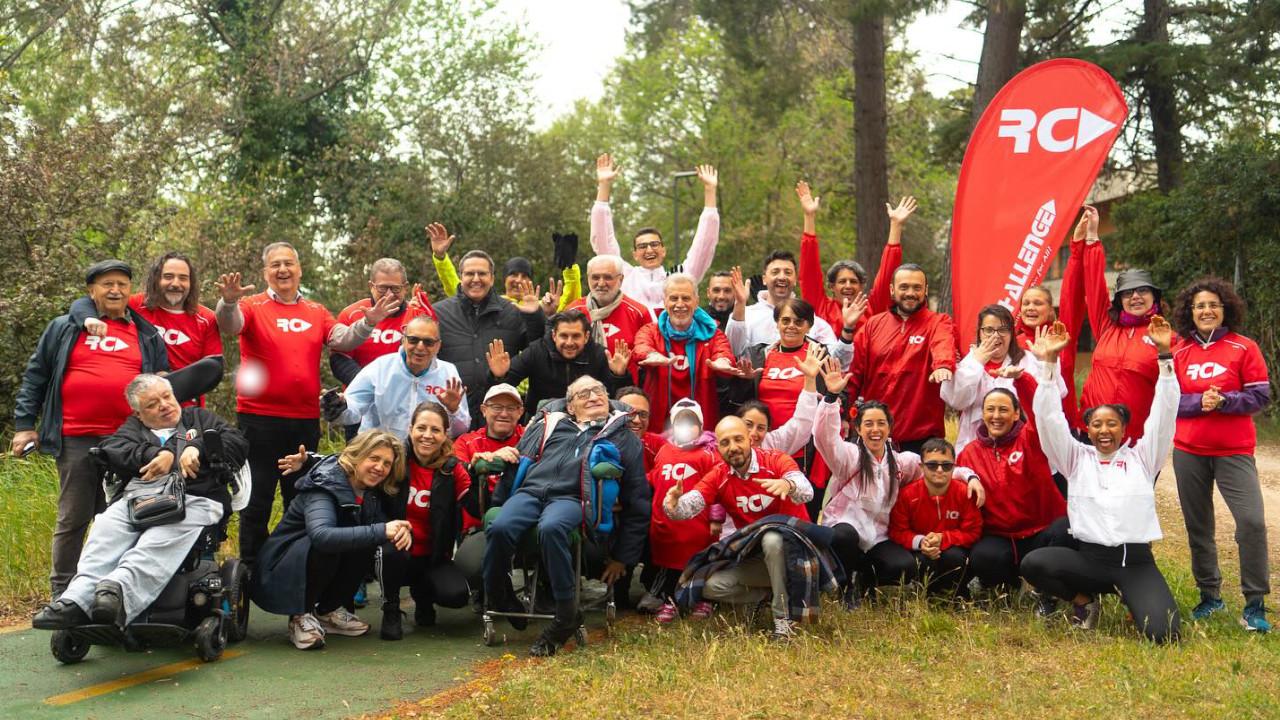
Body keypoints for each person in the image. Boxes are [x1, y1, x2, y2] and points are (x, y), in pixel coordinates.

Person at [215, 242, 398, 565]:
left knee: (300, 497)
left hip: (303, 420)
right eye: (275, 265)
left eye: (288, 264)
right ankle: (251, 571)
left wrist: (368, 322)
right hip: (258, 419)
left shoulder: (315, 310)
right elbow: (230, 325)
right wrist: (227, 302)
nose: (283, 270)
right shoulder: (252, 305)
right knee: (256, 500)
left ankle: (291, 564)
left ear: (299, 270)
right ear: (265, 272)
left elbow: (343, 339)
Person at [32, 374, 248, 629]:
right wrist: (158, 454)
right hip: (142, 498)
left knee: (157, 537)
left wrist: (196, 447)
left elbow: (237, 441)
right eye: (152, 404)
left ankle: (117, 594)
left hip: (197, 497)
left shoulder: (200, 419)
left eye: (166, 397)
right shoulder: (133, 429)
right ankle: (77, 600)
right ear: (138, 413)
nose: (164, 405)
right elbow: (112, 449)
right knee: (106, 525)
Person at [13, 260, 170, 596]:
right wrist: (25, 426)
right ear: (91, 290)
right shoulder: (64, 327)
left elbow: (161, 384)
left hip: (129, 440)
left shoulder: (146, 334)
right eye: (106, 284)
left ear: (131, 291)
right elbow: (36, 376)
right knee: (74, 517)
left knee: (125, 516)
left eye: (122, 284)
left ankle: (112, 591)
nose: (115, 290)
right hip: (75, 437)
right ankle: (63, 594)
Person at [1021, 320, 1182, 643]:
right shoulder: (1075, 458)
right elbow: (1049, 421)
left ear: (1124, 430)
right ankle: (1085, 602)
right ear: (1089, 429)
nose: (1104, 430)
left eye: (1112, 424)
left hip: (1134, 562)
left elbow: (1164, 416)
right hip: (1090, 561)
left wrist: (1165, 356)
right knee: (1035, 563)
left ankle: (1133, 595)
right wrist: (1049, 364)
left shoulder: (1143, 458)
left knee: (1163, 634)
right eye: (1097, 424)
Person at [483, 376, 650, 656]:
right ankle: (502, 597)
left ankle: (565, 614)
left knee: (552, 527)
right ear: (571, 406)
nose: (594, 396)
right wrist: (501, 491)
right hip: (531, 491)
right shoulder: (547, 424)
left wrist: (624, 556)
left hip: (573, 497)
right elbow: (519, 460)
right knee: (499, 525)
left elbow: (639, 498)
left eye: (599, 391)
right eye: (584, 394)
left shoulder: (623, 437)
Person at [814, 373, 982, 605]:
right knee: (845, 535)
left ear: (890, 427)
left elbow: (935, 468)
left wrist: (969, 476)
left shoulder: (902, 462)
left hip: (878, 537)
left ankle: (867, 580)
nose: (875, 429)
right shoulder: (849, 457)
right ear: (858, 429)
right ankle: (845, 587)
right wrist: (831, 398)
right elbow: (825, 438)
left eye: (881, 423)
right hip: (846, 531)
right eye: (869, 424)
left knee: (903, 567)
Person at [1170, 277, 1271, 632]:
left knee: (1252, 523)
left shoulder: (1244, 347)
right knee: (1199, 528)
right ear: (1190, 312)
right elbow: (1168, 400)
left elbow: (1260, 395)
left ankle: (1255, 604)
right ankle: (1210, 597)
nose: (1207, 310)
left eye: (1213, 304)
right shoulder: (1179, 351)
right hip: (1188, 451)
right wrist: (1201, 402)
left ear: (1224, 308)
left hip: (1234, 451)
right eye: (1199, 306)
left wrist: (1226, 401)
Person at [252, 430, 411, 650]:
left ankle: (327, 611)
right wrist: (384, 529)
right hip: (282, 568)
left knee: (365, 539)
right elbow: (322, 536)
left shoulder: (371, 490)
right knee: (331, 543)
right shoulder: (325, 485)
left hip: (315, 558)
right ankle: (300, 616)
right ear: (357, 455)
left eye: (386, 463)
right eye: (374, 458)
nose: (380, 468)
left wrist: (400, 530)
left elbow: (376, 530)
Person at [662, 415, 815, 638]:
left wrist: (788, 484)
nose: (733, 447)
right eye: (725, 443)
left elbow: (807, 491)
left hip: (797, 555)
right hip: (757, 556)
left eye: (738, 439)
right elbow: (689, 506)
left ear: (750, 439)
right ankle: (770, 593)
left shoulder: (775, 460)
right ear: (718, 448)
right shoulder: (719, 476)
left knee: (772, 538)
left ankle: (783, 620)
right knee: (710, 586)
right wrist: (673, 504)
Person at [955, 371, 1069, 600]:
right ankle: (1008, 587)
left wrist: (1022, 380)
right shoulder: (969, 453)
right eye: (990, 409)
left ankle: (1047, 590)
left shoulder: (1031, 439)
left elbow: (1042, 413)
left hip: (1040, 530)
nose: (996, 416)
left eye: (1004, 410)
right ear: (983, 414)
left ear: (1017, 414)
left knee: (1069, 529)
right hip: (1000, 536)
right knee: (984, 557)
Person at [69, 251, 224, 406]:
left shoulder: (206, 319)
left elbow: (211, 371)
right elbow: (87, 302)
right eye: (168, 277)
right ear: (156, 279)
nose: (176, 283)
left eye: (183, 278)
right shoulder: (136, 305)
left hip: (186, 407)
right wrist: (88, 318)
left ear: (191, 283)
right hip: (145, 407)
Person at [375, 402, 473, 640]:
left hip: (433, 555)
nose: (427, 436)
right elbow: (356, 465)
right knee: (391, 552)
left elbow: (475, 506)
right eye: (421, 428)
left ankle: (424, 596)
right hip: (396, 548)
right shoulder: (394, 461)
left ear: (445, 435)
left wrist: (482, 471)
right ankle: (391, 608)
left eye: (435, 430)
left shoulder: (453, 469)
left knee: (456, 595)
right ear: (410, 429)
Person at [844, 262, 958, 454]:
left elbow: (943, 344)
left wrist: (942, 365)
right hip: (876, 434)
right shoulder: (873, 325)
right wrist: (845, 415)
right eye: (904, 287)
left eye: (917, 287)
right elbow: (854, 375)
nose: (910, 293)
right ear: (892, 290)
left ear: (926, 290)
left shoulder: (938, 322)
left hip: (922, 437)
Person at [431, 245, 549, 427]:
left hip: (499, 418)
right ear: (461, 277)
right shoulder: (439, 312)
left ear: (492, 279)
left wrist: (535, 316)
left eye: (482, 274)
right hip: (451, 414)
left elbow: (538, 352)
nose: (476, 279)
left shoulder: (512, 312)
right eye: (470, 274)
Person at [591, 154, 720, 312]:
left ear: (663, 251)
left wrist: (710, 190)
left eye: (654, 244)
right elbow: (604, 243)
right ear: (635, 254)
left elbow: (704, 246)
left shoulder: (680, 278)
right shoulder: (625, 277)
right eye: (643, 246)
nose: (650, 250)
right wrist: (604, 186)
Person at [1077, 229, 1172, 441]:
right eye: (1128, 293)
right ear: (1120, 301)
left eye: (1142, 291)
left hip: (1137, 439)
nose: (1135, 297)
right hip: (1091, 432)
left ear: (1154, 297)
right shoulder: (1106, 327)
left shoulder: (1168, 338)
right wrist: (1092, 239)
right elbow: (1094, 287)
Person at [941, 304, 1065, 455]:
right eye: (988, 330)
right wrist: (975, 364)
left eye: (1003, 329)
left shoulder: (1028, 360)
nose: (996, 335)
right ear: (979, 333)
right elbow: (956, 401)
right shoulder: (969, 362)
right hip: (975, 449)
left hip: (1021, 449)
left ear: (1012, 333)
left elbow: (1053, 398)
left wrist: (1046, 361)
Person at [326, 315, 470, 440]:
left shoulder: (448, 372)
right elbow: (353, 409)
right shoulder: (380, 368)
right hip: (381, 453)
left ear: (438, 346)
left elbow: (460, 429)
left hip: (424, 455)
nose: (420, 347)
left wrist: (453, 410)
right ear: (403, 340)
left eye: (428, 342)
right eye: (413, 340)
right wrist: (340, 406)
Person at [795, 181, 911, 333]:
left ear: (862, 286)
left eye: (853, 282)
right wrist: (809, 216)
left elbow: (887, 276)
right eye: (842, 281)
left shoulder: (872, 309)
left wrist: (896, 226)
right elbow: (809, 273)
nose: (848, 286)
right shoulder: (820, 306)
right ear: (831, 286)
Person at [634, 274, 742, 433]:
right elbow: (641, 347)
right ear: (664, 302)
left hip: (701, 426)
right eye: (673, 298)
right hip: (659, 425)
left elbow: (722, 352)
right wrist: (651, 355)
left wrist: (723, 362)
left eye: (686, 298)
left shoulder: (713, 334)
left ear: (696, 302)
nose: (679, 304)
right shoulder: (650, 331)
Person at [1015, 205, 1091, 431]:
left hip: (1063, 429)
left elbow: (1071, 293)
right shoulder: (1010, 341)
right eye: (1026, 303)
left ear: (1050, 310)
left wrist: (1076, 248)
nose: (1030, 307)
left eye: (1037, 303)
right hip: (1023, 431)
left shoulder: (1061, 336)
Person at [646, 398, 720, 623]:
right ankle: (670, 600)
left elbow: (718, 486)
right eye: (680, 423)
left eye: (692, 423)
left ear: (701, 425)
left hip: (696, 526)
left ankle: (703, 599)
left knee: (698, 563)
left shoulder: (708, 454)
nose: (686, 428)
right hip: (666, 525)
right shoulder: (664, 451)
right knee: (670, 566)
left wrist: (716, 518)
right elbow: (655, 477)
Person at [485, 309, 633, 414]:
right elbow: (500, 391)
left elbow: (618, 399)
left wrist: (618, 376)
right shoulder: (537, 351)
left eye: (576, 336)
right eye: (564, 336)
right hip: (541, 420)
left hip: (587, 421)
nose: (569, 342)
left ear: (586, 337)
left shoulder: (598, 354)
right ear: (554, 335)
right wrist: (499, 376)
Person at [452, 384, 526, 589]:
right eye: (496, 407)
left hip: (525, 520)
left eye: (511, 408)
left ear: (520, 412)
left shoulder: (530, 436)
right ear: (484, 410)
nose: (504, 413)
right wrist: (474, 465)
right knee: (471, 568)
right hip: (479, 525)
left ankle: (545, 587)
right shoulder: (466, 442)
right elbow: (453, 469)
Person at [887, 438, 982, 596]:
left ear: (954, 467)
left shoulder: (964, 493)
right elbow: (897, 531)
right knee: (921, 560)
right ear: (921, 467)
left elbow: (973, 532)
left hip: (953, 551)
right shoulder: (906, 495)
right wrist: (921, 541)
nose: (939, 470)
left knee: (955, 556)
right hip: (920, 550)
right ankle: (926, 593)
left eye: (946, 466)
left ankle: (956, 593)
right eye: (932, 465)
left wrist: (943, 538)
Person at [330, 257, 436, 386]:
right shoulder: (351, 314)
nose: (389, 295)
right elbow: (339, 359)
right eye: (382, 288)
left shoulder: (417, 317)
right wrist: (368, 385)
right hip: (360, 396)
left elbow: (430, 359)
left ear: (405, 288)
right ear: (371, 286)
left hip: (405, 394)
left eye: (395, 288)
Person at [428, 224, 581, 312]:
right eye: (513, 274)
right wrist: (441, 258)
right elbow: (458, 289)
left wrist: (569, 268)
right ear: (501, 279)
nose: (518, 280)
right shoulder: (490, 304)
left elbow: (570, 303)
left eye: (524, 276)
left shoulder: (542, 306)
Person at [724, 251, 840, 357]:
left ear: (795, 280)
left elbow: (836, 359)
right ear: (764, 279)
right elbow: (732, 351)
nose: (782, 277)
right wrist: (740, 304)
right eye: (775, 272)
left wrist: (847, 332)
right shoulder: (746, 315)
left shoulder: (812, 322)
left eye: (788, 272)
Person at [564, 254, 653, 356]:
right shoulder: (573, 311)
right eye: (595, 277)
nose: (601, 283)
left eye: (608, 277)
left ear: (621, 279)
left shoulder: (639, 313)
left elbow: (647, 355)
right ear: (588, 278)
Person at [616, 386, 666, 472]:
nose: (637, 420)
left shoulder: (658, 446)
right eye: (630, 414)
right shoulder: (600, 445)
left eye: (643, 414)